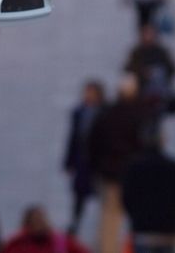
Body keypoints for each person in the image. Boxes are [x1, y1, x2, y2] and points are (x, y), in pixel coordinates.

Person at [88, 75, 151, 253]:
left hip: (111, 175)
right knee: (138, 221)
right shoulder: (142, 115)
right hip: (134, 177)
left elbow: (93, 144)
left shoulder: (106, 115)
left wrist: (96, 168)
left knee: (109, 220)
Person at [122, 126, 175, 253]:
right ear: (163, 141)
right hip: (168, 231)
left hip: (143, 231)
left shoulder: (133, 168)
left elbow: (127, 199)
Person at [63, 79, 107, 235]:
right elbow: (73, 139)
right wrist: (69, 162)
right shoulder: (78, 113)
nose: (88, 96)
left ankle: (103, 228)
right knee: (79, 196)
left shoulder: (104, 112)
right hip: (83, 160)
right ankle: (75, 224)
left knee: (102, 195)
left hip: (99, 163)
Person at [1, 205, 92, 253]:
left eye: (41, 220)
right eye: (35, 221)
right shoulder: (17, 244)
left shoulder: (61, 242)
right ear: (27, 224)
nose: (39, 224)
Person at [123, 24, 175, 101]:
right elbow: (128, 68)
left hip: (160, 88)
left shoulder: (161, 52)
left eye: (150, 34)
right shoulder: (137, 52)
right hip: (141, 88)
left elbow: (172, 68)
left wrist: (158, 72)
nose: (148, 37)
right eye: (146, 34)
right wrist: (142, 72)